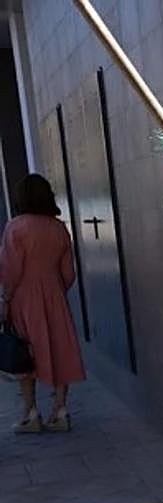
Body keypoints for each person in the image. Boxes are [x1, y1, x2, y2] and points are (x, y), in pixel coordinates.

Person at [0, 174, 85, 433]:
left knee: (25, 353)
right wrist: (55, 289)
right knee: (60, 348)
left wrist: (5, 298)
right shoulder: (58, 228)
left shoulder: (16, 227)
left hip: (24, 297)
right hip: (54, 294)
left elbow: (10, 270)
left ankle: (31, 414)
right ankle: (60, 411)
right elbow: (69, 273)